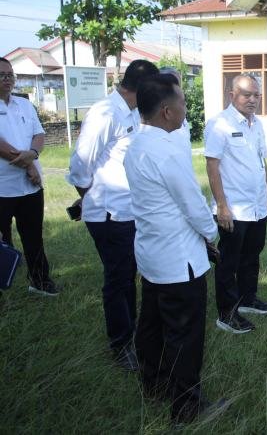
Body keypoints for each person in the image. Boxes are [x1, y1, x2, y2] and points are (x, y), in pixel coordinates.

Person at [124, 73, 227, 424]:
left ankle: (153, 384)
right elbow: (193, 204)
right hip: (178, 258)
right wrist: (212, 232)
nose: (187, 108)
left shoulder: (137, 143)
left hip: (152, 253)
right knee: (185, 335)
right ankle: (186, 406)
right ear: (167, 111)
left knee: (151, 324)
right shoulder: (167, 151)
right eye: (183, 102)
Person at [66, 58, 158, 371]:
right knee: (117, 280)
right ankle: (120, 345)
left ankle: (130, 332)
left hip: (129, 210)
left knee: (128, 275)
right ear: (142, 87)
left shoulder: (131, 111)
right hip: (109, 212)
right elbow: (81, 162)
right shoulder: (105, 112)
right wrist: (87, 194)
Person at [205, 74, 267, 334]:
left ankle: (248, 299)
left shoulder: (257, 124)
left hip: (256, 205)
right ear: (231, 94)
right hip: (233, 208)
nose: (253, 99)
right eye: (247, 94)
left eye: (256, 95)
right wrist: (221, 205)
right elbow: (212, 165)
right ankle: (227, 313)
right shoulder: (219, 124)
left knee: (252, 254)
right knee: (229, 261)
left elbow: (262, 161)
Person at [0, 56, 60, 296]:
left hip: (31, 188)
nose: (7, 79)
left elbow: (39, 134)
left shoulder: (24, 105)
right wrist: (28, 165)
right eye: (1, 75)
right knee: (2, 241)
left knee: (34, 236)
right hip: (3, 188)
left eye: (10, 74)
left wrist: (33, 154)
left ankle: (39, 281)